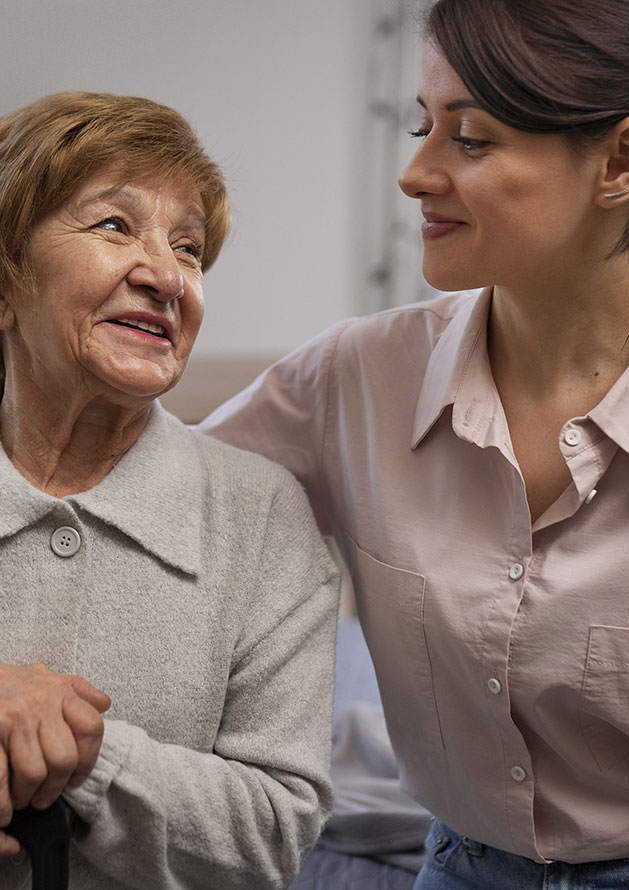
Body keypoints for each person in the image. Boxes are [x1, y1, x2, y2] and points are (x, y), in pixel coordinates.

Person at [201, 1, 629, 887]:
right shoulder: (355, 377)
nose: (413, 172)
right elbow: (163, 519)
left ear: (623, 161)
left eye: (470, 139)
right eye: (421, 124)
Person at [0, 91, 339, 890]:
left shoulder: (258, 516)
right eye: (115, 225)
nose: (166, 277)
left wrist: (87, 749)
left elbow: (273, 833)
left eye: (188, 249)